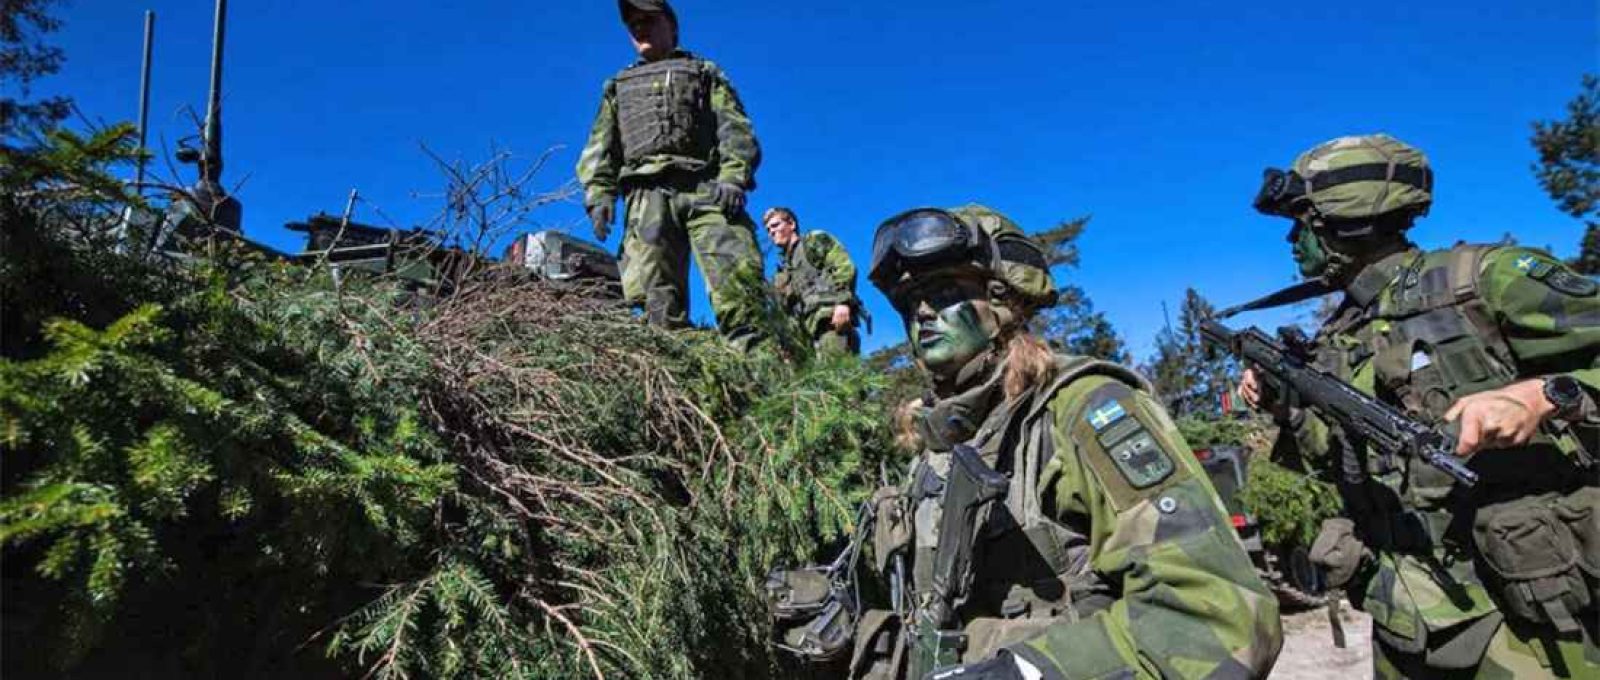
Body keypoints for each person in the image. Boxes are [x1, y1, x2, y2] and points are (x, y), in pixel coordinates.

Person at [853, 204, 1281, 679]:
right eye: (910, 303)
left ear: (1002, 300)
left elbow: (1220, 620)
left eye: (945, 292)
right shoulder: (933, 447)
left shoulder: (1081, 410)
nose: (923, 313)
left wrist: (1024, 672)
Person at [1236, 133, 1599, 678]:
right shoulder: (1341, 334)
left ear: (1344, 220)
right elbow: (1333, 463)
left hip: (1535, 615)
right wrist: (1285, 406)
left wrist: (1549, 395)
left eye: (1300, 222)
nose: (1292, 240)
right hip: (1410, 620)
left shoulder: (1483, 281)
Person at [576, 0, 765, 348]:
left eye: (648, 19)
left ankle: (764, 384)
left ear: (671, 26)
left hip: (707, 190)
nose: (639, 27)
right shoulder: (618, 86)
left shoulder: (703, 72)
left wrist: (733, 177)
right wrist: (599, 195)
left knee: (740, 291)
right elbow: (601, 147)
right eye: (632, 23)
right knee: (655, 307)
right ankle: (679, 388)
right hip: (646, 200)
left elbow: (735, 129)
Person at [763, 206, 863, 356]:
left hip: (831, 323)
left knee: (839, 374)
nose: (771, 232)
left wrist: (843, 303)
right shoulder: (783, 272)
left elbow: (844, 266)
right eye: (768, 229)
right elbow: (785, 310)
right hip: (807, 338)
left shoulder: (814, 241)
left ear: (791, 224)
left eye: (775, 225)